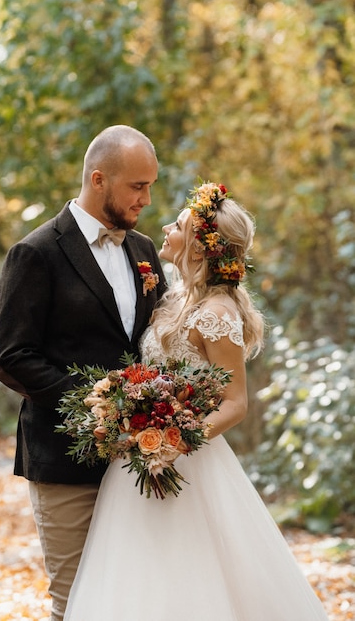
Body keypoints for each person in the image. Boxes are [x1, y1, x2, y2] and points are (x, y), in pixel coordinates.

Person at [63, 182, 330, 620]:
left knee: (189, 576)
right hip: (141, 459)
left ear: (204, 248)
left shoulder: (218, 313)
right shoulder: (175, 298)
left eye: (181, 225)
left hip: (187, 460)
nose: (166, 226)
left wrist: (176, 442)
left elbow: (236, 402)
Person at [0, 124, 167, 621]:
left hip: (140, 460)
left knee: (133, 598)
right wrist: (99, 402)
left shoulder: (144, 251)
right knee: (76, 602)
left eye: (150, 185)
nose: (147, 199)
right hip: (65, 459)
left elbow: (152, 342)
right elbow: (10, 355)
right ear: (98, 180)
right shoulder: (36, 253)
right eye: (137, 186)